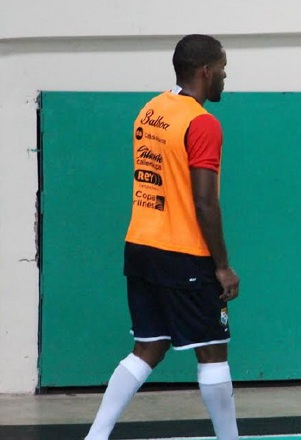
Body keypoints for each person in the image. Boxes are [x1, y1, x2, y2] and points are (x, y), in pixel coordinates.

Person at [85, 34, 241, 440]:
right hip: (183, 253)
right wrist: (221, 266)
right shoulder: (202, 123)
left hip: (140, 247)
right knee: (212, 352)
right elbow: (205, 202)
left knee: (148, 347)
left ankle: (96, 436)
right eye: (223, 68)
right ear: (206, 71)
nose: (226, 75)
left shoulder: (151, 111)